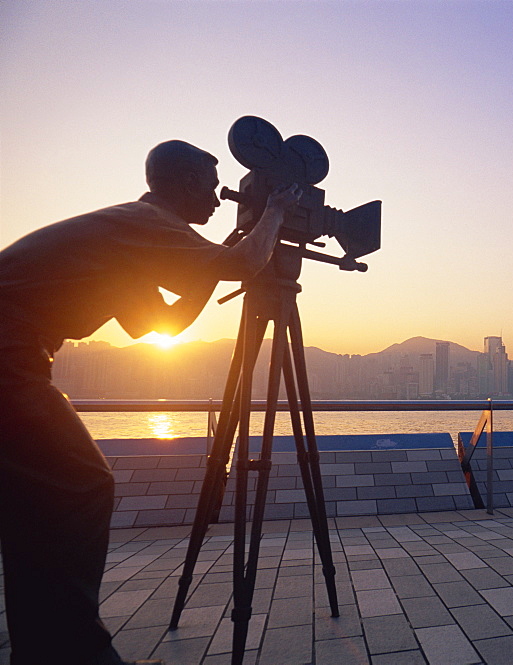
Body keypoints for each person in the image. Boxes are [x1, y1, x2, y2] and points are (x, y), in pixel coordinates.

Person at [0, 140, 300, 665]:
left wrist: (223, 253)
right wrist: (272, 212)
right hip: (8, 353)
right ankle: (77, 654)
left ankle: (47, 652)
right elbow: (243, 265)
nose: (218, 196)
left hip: (17, 354)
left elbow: (159, 324)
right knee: (82, 486)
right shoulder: (148, 222)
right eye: (211, 185)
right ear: (181, 182)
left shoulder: (131, 234)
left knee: (39, 508)